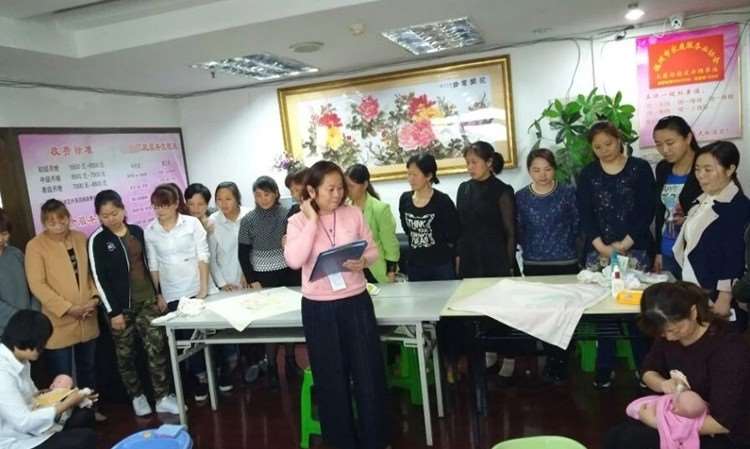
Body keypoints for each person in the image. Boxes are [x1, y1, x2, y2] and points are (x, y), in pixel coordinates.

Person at [284, 160, 389, 449]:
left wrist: (363, 261)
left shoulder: (353, 213)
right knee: (331, 378)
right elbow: (294, 260)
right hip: (319, 308)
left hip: (356, 302)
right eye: (330, 189)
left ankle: (376, 440)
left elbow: (373, 251)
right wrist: (312, 220)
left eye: (340, 188)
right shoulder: (297, 221)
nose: (337, 194)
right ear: (312, 191)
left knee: (368, 373)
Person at [604, 282, 750, 449]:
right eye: (663, 333)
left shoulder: (729, 350)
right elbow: (648, 370)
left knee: (626, 439)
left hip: (726, 435)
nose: (669, 338)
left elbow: (723, 424)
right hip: (684, 418)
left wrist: (659, 423)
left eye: (675, 330)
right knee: (618, 433)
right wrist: (663, 384)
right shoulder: (668, 334)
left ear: (693, 312)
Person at [577, 121, 655, 388]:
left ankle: (644, 368)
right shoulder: (588, 173)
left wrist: (626, 242)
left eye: (608, 144)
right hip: (599, 250)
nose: (604, 150)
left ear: (618, 139)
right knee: (603, 310)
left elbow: (647, 208)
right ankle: (604, 366)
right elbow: (585, 213)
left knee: (635, 310)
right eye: (597, 147)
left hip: (636, 247)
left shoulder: (639, 168)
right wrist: (601, 246)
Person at [88, 190, 179, 416]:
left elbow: (150, 264)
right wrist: (113, 312)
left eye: (114, 213)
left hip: (147, 299)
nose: (111, 218)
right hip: (121, 308)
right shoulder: (98, 240)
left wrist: (158, 293)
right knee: (125, 354)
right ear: (98, 216)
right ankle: (137, 396)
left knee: (156, 348)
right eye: (105, 215)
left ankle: (162, 396)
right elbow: (99, 279)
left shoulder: (137, 231)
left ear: (123, 209)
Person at [24, 200, 102, 417]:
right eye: (51, 222)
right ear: (43, 223)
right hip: (58, 320)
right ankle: (65, 417)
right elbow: (37, 285)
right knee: (62, 375)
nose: (58, 225)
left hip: (87, 314)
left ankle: (90, 411)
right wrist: (67, 308)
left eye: (62, 219)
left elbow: (90, 274)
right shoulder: (35, 246)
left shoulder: (79, 238)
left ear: (68, 217)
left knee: (88, 368)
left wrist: (94, 298)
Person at [515, 148, 579, 383]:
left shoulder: (567, 193)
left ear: (555, 169)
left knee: (565, 314)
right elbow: (518, 228)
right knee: (541, 315)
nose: (542, 175)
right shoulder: (521, 197)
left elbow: (577, 224)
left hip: (566, 261)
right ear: (529, 171)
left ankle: (561, 362)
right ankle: (550, 360)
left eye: (547, 169)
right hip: (534, 263)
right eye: (536, 170)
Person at [144, 184, 211, 401]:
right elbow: (153, 264)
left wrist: (203, 289)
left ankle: (206, 377)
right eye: (156, 206)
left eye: (164, 206)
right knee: (181, 339)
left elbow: (203, 255)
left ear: (175, 205)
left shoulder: (191, 224)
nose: (160, 210)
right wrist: (159, 294)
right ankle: (193, 380)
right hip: (171, 291)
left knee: (199, 336)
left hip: (195, 287)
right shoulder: (150, 231)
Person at [673, 141, 750, 331]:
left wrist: (725, 296)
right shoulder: (703, 201)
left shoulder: (738, 207)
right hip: (695, 288)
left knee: (721, 344)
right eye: (697, 169)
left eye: (708, 169)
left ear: (730, 169)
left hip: (717, 296)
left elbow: (734, 255)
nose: (701, 175)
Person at [0, 310, 98, 449]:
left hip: (32, 427)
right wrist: (67, 403)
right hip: (14, 438)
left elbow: (35, 399)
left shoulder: (21, 359)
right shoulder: (3, 373)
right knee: (86, 438)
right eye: (41, 344)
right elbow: (24, 422)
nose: (44, 348)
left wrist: (69, 397)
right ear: (26, 340)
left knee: (85, 415)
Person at [238, 176, 298, 385]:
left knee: (290, 321)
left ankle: (291, 361)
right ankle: (271, 366)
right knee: (270, 322)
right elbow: (243, 253)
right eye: (258, 195)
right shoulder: (248, 220)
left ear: (276, 194)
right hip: (263, 277)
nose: (263, 199)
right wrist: (252, 279)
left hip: (288, 272)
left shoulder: (288, 214)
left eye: (267, 194)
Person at [652, 116, 702, 279]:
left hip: (695, 252)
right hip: (668, 250)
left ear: (688, 138)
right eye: (659, 144)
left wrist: (688, 219)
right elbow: (660, 211)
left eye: (670, 143)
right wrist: (658, 251)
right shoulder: (663, 168)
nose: (665, 150)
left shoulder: (704, 167)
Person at [457, 141, 516, 277]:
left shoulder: (502, 190)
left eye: (474, 162)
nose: (470, 167)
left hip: (495, 258)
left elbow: (510, 232)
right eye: (467, 163)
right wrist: (458, 258)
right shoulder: (464, 188)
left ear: (489, 162)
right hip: (469, 258)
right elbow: (460, 228)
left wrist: (510, 265)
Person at [398, 153, 460, 281]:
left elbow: (453, 233)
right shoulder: (405, 199)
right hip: (415, 265)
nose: (410, 179)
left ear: (429, 175)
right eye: (408, 174)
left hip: (440, 265)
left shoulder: (442, 201)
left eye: (415, 175)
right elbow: (407, 229)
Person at [345, 164, 400, 283]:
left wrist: (391, 271)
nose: (348, 190)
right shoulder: (345, 208)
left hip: (377, 268)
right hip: (353, 270)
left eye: (351, 186)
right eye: (346, 186)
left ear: (365, 185)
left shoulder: (380, 208)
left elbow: (390, 244)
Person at [0, 208, 38, 334]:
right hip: (5, 331)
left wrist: (33, 313)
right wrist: (21, 319)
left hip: (30, 323)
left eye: (4, 233)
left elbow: (34, 285)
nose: (1, 239)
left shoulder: (16, 254)